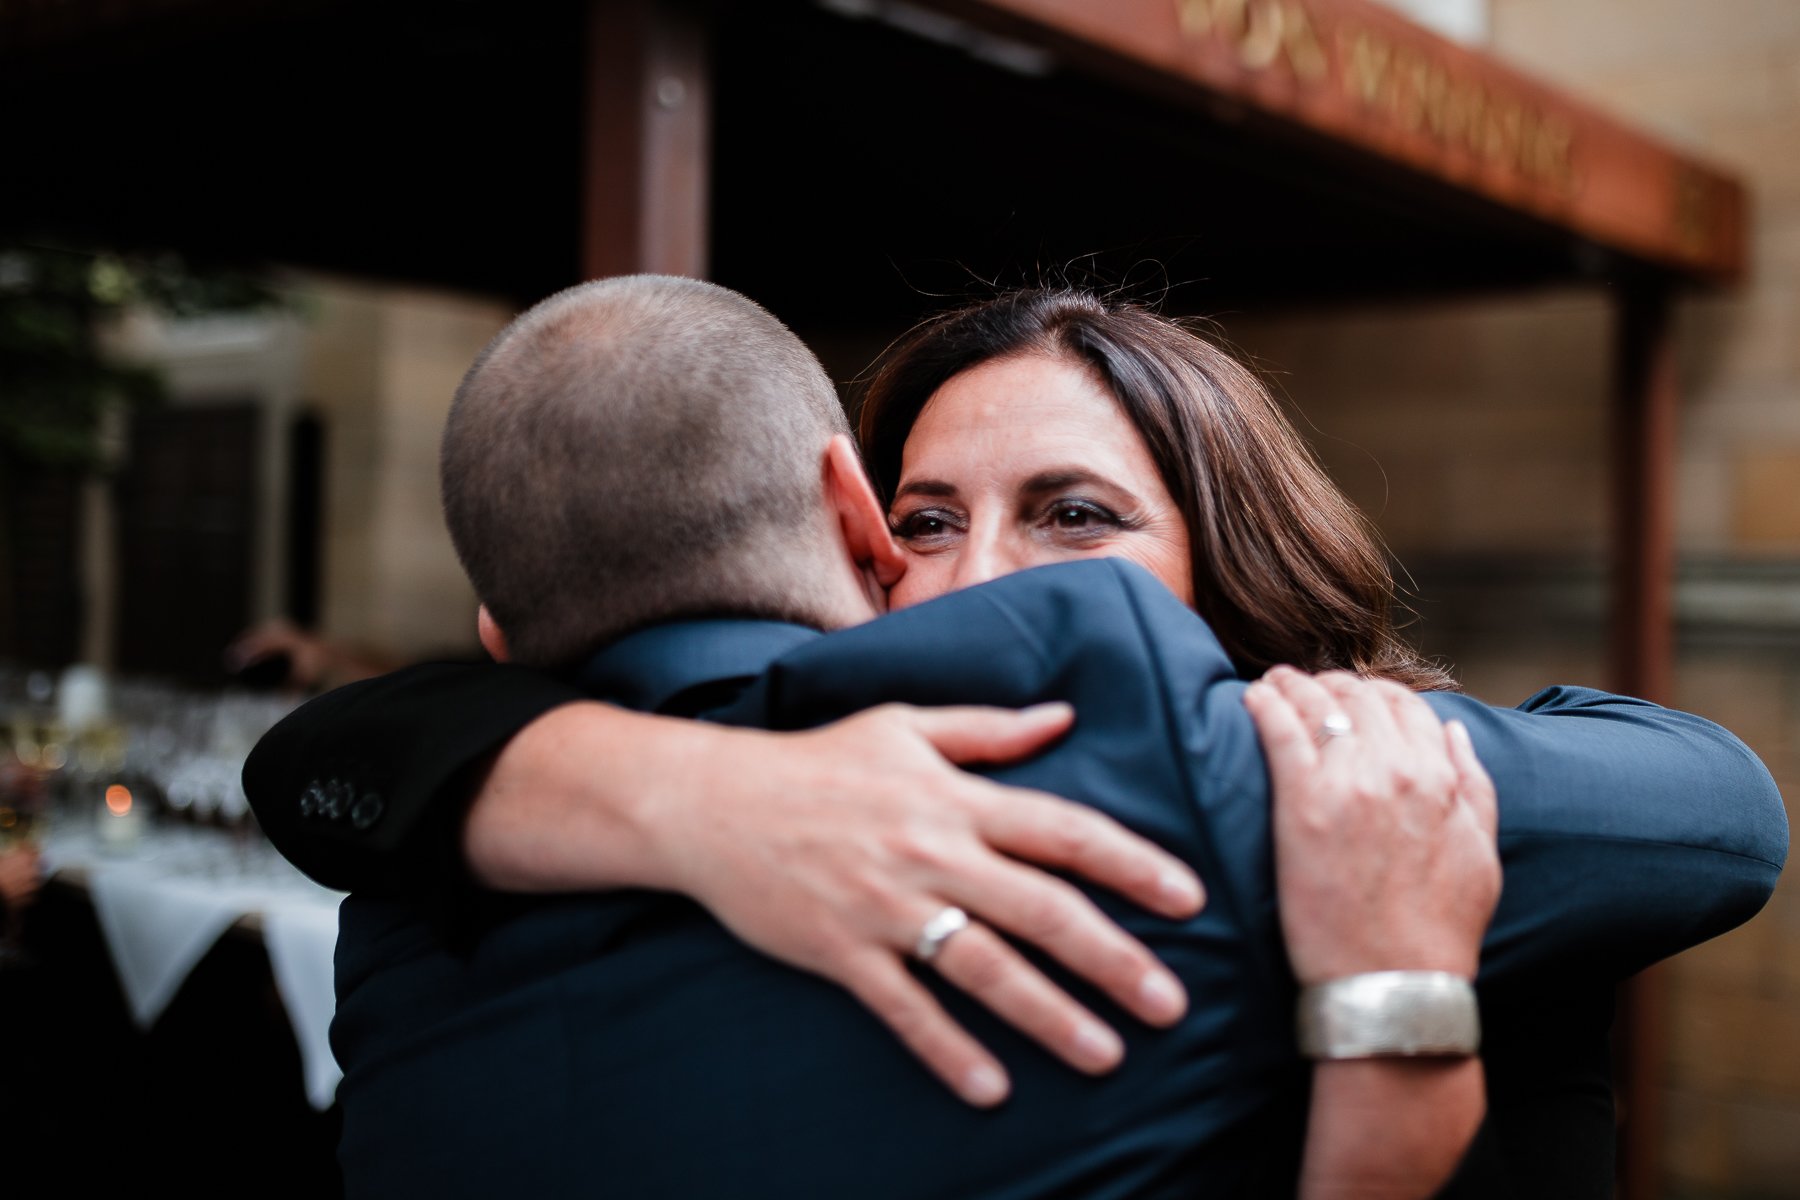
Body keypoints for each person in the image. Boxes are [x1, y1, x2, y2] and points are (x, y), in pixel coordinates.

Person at [247, 279, 1784, 1196]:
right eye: (927, 522)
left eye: (1074, 517)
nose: (975, 582)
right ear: (855, 534)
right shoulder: (677, 782)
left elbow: (1718, 804)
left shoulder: (1327, 797)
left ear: (1229, 557)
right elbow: (342, 754)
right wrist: (687, 787)